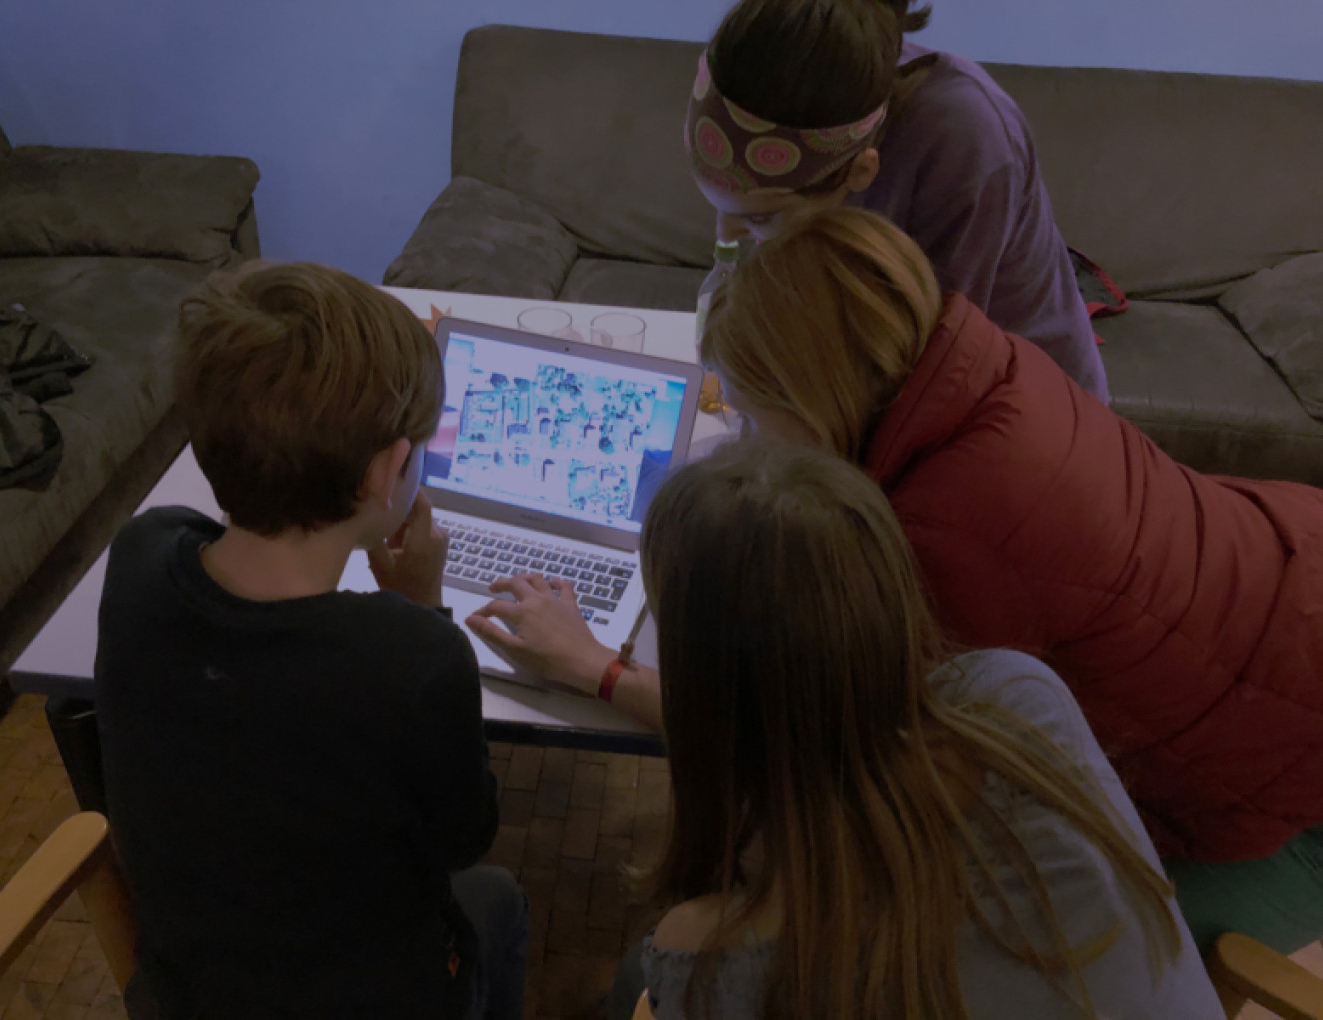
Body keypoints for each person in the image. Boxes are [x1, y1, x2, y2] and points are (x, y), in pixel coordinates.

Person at [468, 207, 1323, 958]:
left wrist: (595, 667)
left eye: (757, 410)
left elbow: (815, 739)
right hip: (1290, 574)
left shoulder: (940, 542)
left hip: (1270, 759)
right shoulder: (976, 358)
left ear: (817, 395)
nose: (749, 434)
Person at [627, 440, 1221, 1018]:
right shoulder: (1019, 698)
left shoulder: (710, 962)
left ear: (699, 688)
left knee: (635, 983)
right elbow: (821, 729)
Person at [96, 262, 526, 1019]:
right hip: (377, 998)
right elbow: (466, 834)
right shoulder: (410, 658)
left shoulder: (140, 555)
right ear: (389, 471)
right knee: (496, 900)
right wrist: (421, 608)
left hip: (192, 993)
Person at [685, 0, 1110, 402]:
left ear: (861, 172)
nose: (725, 232)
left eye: (762, 217)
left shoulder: (966, 144)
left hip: (1022, 403)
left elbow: (932, 371)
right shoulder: (821, 80)